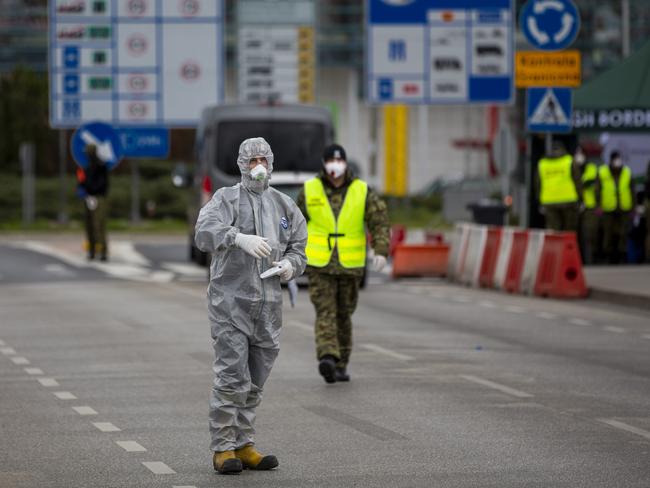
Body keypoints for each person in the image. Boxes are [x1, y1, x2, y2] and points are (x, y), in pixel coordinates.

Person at [195, 137, 307, 474]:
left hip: (269, 305)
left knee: (256, 380)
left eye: (263, 159)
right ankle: (223, 448)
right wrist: (237, 238)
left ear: (271, 163)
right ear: (242, 164)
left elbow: (299, 247)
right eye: (252, 160)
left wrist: (291, 266)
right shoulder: (226, 199)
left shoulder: (284, 206)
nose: (258, 165)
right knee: (232, 376)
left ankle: (244, 444)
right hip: (231, 303)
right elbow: (204, 232)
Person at [296, 144, 390, 384]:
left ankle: (341, 363)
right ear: (324, 163)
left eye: (339, 161)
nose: (334, 165)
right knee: (325, 311)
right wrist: (288, 249)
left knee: (344, 315)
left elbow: (378, 220)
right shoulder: (310, 190)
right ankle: (327, 356)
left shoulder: (362, 190)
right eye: (330, 161)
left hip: (350, 265)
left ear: (346, 163)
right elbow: (293, 221)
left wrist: (380, 250)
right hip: (320, 265)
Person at [596, 151, 634, 264]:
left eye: (619, 159)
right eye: (615, 159)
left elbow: (632, 190)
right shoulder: (603, 172)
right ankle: (609, 256)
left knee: (623, 233)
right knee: (608, 234)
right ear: (611, 160)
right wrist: (598, 206)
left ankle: (622, 256)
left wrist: (633, 207)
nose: (617, 162)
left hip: (624, 208)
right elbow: (597, 190)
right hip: (608, 208)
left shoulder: (627, 171)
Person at [535, 140, 581, 232]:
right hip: (568, 200)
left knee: (553, 230)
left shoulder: (542, 163)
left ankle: (554, 246)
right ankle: (567, 246)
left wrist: (539, 201)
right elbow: (577, 181)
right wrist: (580, 198)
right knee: (569, 230)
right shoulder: (569, 160)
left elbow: (537, 184)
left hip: (549, 201)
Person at [81, 144, 109, 261]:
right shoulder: (87, 168)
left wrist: (92, 189)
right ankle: (92, 250)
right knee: (89, 225)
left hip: (98, 198)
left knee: (98, 225)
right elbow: (83, 182)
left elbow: (103, 184)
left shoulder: (101, 167)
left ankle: (102, 251)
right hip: (89, 198)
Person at [575, 145, 599, 264]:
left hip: (589, 205)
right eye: (577, 153)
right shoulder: (571, 167)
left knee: (589, 234)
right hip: (574, 206)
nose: (579, 156)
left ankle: (589, 260)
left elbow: (594, 183)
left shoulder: (592, 168)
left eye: (581, 153)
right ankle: (577, 260)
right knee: (575, 235)